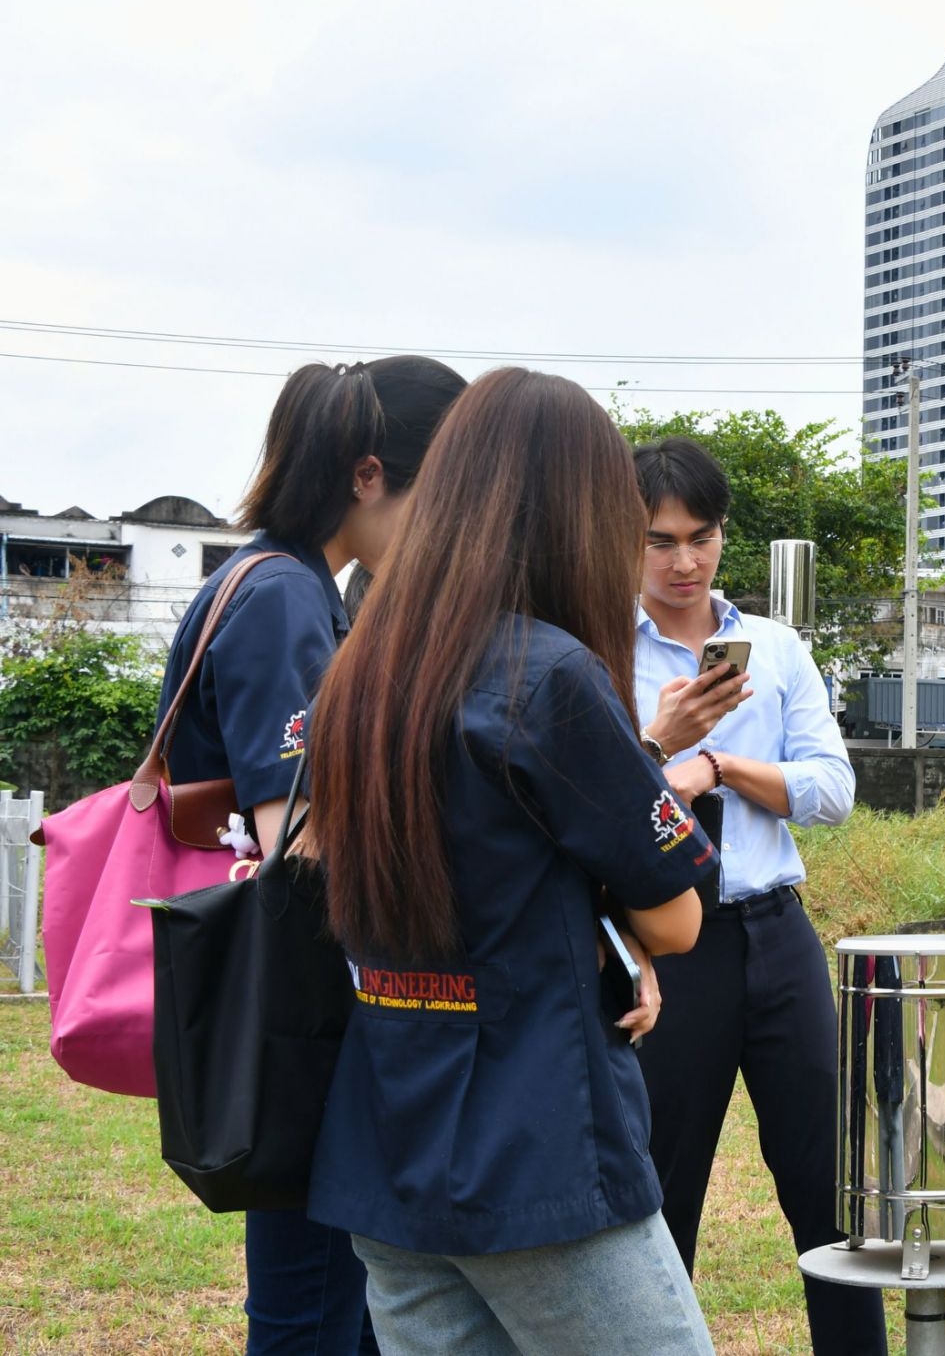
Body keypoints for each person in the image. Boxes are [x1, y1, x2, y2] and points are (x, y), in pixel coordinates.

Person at [304, 368, 719, 1354]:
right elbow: (676, 919)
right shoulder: (550, 675)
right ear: (578, 516)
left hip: (386, 1144)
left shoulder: (359, 669)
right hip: (537, 1150)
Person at [153, 354, 464, 1355]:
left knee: (328, 1304)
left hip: (282, 1004)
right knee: (315, 1310)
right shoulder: (285, 597)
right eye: (437, 492)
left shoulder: (273, 581)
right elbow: (300, 838)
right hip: (301, 1010)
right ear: (368, 475)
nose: (444, 523)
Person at [628, 435, 885, 1355]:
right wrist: (661, 747)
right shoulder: (600, 648)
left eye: (701, 537)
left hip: (777, 932)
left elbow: (833, 788)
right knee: (662, 1192)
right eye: (661, 540)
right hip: (667, 943)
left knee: (831, 1190)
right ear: (626, 539)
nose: (684, 561)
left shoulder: (775, 648)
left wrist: (723, 766)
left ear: (723, 535)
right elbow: (594, 800)